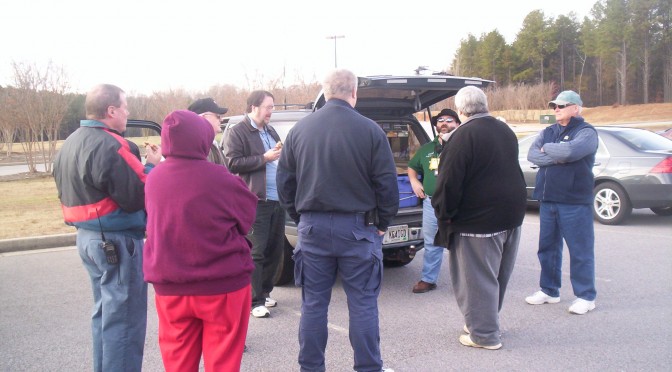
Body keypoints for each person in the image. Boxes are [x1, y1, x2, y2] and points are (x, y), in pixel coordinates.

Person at [277, 68, 399, 372]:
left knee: (314, 305)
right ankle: (368, 367)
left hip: (313, 228)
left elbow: (284, 184)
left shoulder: (300, 130)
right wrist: (384, 221)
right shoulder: (371, 131)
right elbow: (386, 184)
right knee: (362, 304)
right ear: (354, 93)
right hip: (358, 229)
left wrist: (300, 216)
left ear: (325, 91)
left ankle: (311, 367)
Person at [53, 83, 162, 371]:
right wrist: (152, 166)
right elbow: (137, 195)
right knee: (125, 323)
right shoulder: (114, 145)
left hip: (87, 239)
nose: (127, 113)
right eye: (125, 107)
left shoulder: (70, 142)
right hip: (117, 241)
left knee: (105, 318)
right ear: (111, 110)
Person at [143, 110, 257, 371]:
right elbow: (246, 219)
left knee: (178, 362)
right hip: (223, 285)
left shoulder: (154, 179)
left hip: (170, 286)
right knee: (223, 361)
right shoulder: (221, 178)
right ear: (202, 139)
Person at [432, 86, 527, 350]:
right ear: (484, 105)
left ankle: (484, 334)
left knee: (477, 279)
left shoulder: (462, 137)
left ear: (460, 110)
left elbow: (448, 184)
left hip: (478, 220)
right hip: (511, 215)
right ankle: (482, 321)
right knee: (497, 275)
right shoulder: (503, 130)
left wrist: (444, 215)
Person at [525, 90, 598, 315]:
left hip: (574, 200)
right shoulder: (548, 130)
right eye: (553, 106)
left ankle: (585, 296)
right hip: (548, 199)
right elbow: (531, 155)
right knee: (547, 248)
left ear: (575, 108)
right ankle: (549, 290)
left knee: (580, 250)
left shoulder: (586, 132)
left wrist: (547, 149)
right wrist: (556, 154)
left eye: (561, 105)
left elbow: (569, 151)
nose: (556, 109)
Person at [223, 90, 284, 318]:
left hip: (277, 199)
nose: (271, 112)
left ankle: (265, 292)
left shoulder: (270, 130)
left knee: (274, 250)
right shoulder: (238, 132)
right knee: (256, 251)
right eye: (268, 107)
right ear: (254, 107)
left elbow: (276, 157)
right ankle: (253, 300)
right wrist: (264, 158)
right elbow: (232, 163)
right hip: (254, 200)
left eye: (272, 107)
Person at [409, 108, 460, 293]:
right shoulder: (427, 149)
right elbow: (412, 167)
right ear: (436, 125)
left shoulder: (462, 145)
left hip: (458, 204)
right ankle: (428, 279)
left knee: (461, 243)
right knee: (431, 242)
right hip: (431, 203)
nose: (444, 123)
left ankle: (466, 281)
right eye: (440, 120)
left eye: (449, 120)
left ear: (458, 124)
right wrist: (414, 181)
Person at [187, 97, 228, 165]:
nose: (221, 119)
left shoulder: (212, 143)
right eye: (218, 116)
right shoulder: (197, 147)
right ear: (203, 118)